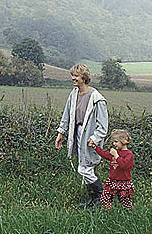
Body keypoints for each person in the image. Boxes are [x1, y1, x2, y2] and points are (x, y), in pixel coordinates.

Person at [55, 63, 109, 208]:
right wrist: (61, 133)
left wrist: (95, 139)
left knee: (84, 168)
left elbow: (103, 126)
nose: (73, 78)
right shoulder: (73, 94)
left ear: (84, 77)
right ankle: (93, 200)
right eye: (72, 75)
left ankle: (101, 197)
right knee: (84, 166)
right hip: (77, 133)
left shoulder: (97, 99)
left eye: (76, 76)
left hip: (90, 138)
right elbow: (67, 115)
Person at [88, 129, 135, 210]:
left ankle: (129, 213)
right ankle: (107, 211)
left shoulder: (129, 154)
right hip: (112, 180)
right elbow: (105, 154)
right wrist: (95, 147)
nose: (114, 144)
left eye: (116, 141)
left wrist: (116, 155)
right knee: (105, 197)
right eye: (113, 142)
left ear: (124, 141)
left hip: (123, 181)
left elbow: (123, 165)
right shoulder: (115, 152)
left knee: (125, 200)